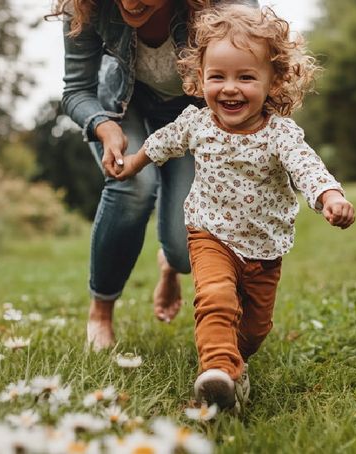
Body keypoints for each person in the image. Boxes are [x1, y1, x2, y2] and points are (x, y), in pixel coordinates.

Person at [113, 4, 356, 411]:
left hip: (264, 245)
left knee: (256, 328)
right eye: (217, 76)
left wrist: (329, 196)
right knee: (215, 298)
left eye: (245, 77)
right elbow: (160, 145)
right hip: (210, 232)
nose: (229, 88)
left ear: (273, 81)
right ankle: (217, 373)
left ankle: (233, 366)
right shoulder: (197, 123)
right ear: (199, 77)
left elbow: (306, 167)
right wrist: (131, 164)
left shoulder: (280, 135)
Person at [57, 0, 257, 351]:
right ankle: (100, 312)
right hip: (122, 106)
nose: (132, 2)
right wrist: (102, 126)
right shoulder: (86, 7)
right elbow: (76, 91)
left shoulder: (223, 6)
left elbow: (257, 63)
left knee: (183, 251)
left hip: (193, 112)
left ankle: (169, 264)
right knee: (133, 185)